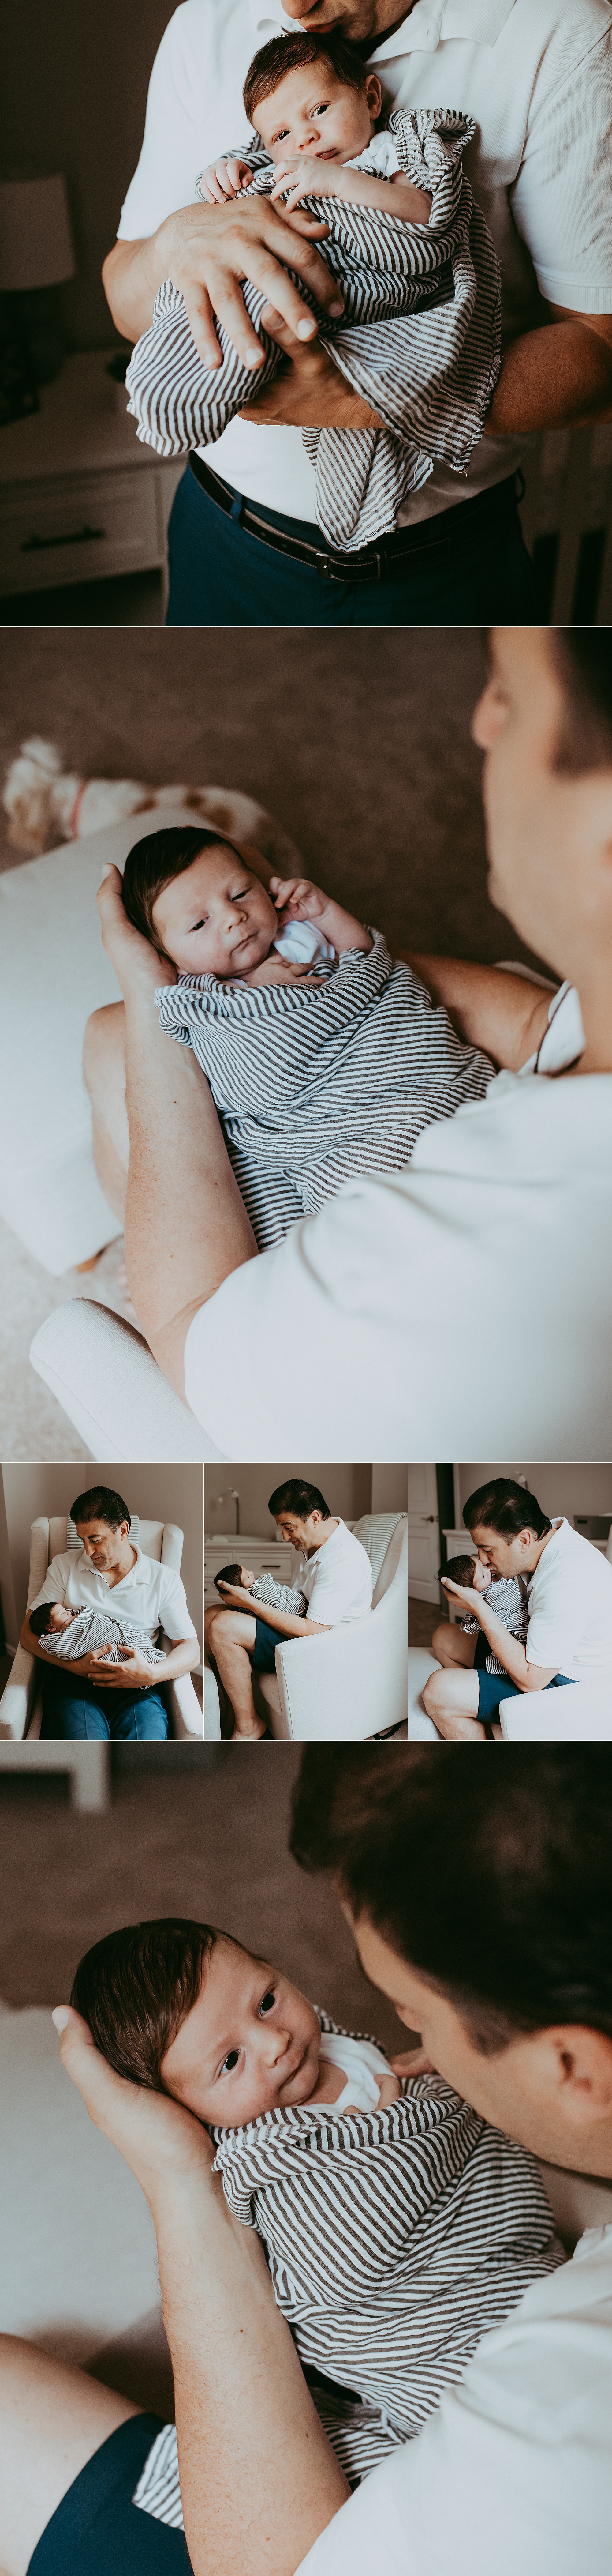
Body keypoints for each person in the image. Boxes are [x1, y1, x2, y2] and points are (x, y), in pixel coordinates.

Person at [4, 1748, 610, 2576]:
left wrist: (180, 2184)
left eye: (419, 2007)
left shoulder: (552, 2412)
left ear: (575, 2068)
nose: (284, 2038)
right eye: (226, 2061)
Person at [82, 627, 612, 1456]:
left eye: (508, 690)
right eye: (203, 917)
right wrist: (340, 973)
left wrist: (155, 1006)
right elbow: (543, 1024)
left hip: (350, 1149)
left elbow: (197, 1331)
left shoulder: (407, 1283)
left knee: (115, 1040)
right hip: (385, 1045)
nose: (479, 721)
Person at [102, 0, 612, 629]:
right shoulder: (203, 30)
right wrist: (180, 242)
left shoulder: (566, 41)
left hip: (442, 572)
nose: (286, 0)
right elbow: (124, 291)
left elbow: (602, 352)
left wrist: (358, 395)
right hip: (221, 535)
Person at [63, 1912, 561, 2514]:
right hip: (424, 2339)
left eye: (267, 1999)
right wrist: (402, 2135)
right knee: (508, 2419)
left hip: (507, 2253)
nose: (274, 2043)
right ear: (186, 2110)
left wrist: (449, 2085)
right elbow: (338, 2269)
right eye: (228, 2062)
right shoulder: (263, 2153)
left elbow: (430, 2093)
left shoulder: (325, 2042)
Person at [126, 29, 501, 551]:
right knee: (225, 291)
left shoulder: (390, 150)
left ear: (370, 98)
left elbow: (425, 221)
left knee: (271, 307)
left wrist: (337, 183)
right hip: (288, 283)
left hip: (368, 290)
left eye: (319, 109)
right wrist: (227, 175)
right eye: (280, 135)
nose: (303, 139)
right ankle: (181, 380)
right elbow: (235, 207)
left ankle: (202, 388)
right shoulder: (278, 164)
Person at [95, 825, 501, 1254]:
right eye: (199, 923)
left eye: (240, 893)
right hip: (331, 1132)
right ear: (168, 957)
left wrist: (325, 912)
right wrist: (259, 993)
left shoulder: (297, 933)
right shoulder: (203, 996)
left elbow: (363, 956)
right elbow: (251, 1072)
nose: (234, 917)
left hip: (407, 1079)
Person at [423, 1481, 612, 1740]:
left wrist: (479, 1606)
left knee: (438, 1690)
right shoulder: (543, 1542)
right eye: (479, 1548)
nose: (482, 1559)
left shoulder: (568, 1580)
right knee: (444, 1637)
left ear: (524, 1539)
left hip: (561, 1681)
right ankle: (484, 1705)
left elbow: (533, 1681)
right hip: (532, 1648)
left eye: (488, 1550)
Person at [20, 1484, 200, 1743]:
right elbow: (28, 1632)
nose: (88, 1551)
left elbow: (190, 1648)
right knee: (87, 1746)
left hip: (137, 1683)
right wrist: (75, 1667)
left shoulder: (164, 1579)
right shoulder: (64, 1567)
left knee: (144, 1750)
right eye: (82, 1540)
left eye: (95, 1540)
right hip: (73, 1681)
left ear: (123, 1531)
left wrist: (151, 1674)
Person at [205, 1480, 372, 1740]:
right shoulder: (310, 1542)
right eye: (282, 1527)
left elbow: (313, 1630)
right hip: (304, 1624)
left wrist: (251, 1603)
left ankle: (248, 1728)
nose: (285, 1537)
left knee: (224, 1626)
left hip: (325, 1645)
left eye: (289, 1527)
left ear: (315, 1518)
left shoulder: (344, 1561)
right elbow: (296, 1600)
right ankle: (236, 1711)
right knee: (211, 1615)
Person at [27, 1600, 167, 1671]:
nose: (69, 1613)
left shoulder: (75, 1617)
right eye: (63, 1613)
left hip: (118, 1632)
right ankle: (149, 1659)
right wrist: (75, 1623)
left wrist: (77, 1618)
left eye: (66, 1611)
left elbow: (90, 1615)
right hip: (110, 1653)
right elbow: (69, 1651)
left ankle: (148, 1662)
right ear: (51, 1628)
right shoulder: (55, 1642)